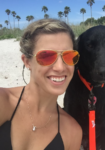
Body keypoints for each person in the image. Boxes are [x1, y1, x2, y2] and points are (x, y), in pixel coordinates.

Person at [0, 19, 82, 150]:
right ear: (27, 62)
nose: (60, 67)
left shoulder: (72, 132)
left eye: (68, 56)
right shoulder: (3, 102)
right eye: (47, 56)